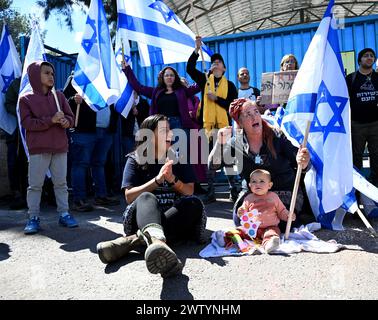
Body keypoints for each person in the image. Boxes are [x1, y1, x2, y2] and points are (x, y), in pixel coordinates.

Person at [96, 114, 207, 278]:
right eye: (164, 131)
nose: (170, 135)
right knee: (147, 197)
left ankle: (139, 242)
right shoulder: (135, 159)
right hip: (142, 218)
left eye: (170, 130)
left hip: (171, 217)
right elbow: (129, 196)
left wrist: (172, 180)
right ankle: (156, 241)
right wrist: (157, 181)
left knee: (194, 203)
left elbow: (189, 191)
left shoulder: (178, 157)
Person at [209, 98, 310, 231]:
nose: (254, 117)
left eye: (256, 112)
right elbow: (213, 166)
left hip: (283, 192)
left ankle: (269, 231)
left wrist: (304, 161)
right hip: (253, 194)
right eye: (248, 114)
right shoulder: (235, 143)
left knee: (280, 219)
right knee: (240, 219)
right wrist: (219, 143)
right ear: (240, 122)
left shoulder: (277, 135)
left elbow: (302, 164)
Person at [19, 61, 78, 234]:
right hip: (39, 149)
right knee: (35, 185)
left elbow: (71, 118)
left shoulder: (59, 96)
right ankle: (33, 217)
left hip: (60, 147)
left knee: (61, 183)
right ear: (36, 75)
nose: (51, 76)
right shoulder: (26, 99)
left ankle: (64, 214)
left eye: (52, 73)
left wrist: (67, 121)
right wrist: (50, 120)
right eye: (46, 73)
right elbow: (27, 123)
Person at [186, 36, 239, 203]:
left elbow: (232, 106)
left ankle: (234, 191)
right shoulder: (204, 81)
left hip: (225, 128)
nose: (215, 64)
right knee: (211, 160)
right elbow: (189, 68)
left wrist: (216, 98)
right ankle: (210, 192)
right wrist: (196, 50)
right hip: (209, 129)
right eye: (213, 62)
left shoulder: (230, 85)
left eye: (219, 62)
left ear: (224, 68)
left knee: (228, 159)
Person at [63, 74, 120, 212]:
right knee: (80, 164)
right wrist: (73, 99)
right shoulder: (77, 75)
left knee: (99, 164)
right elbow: (63, 100)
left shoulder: (109, 74)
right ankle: (79, 199)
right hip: (84, 130)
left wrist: (112, 125)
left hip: (105, 130)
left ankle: (101, 195)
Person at [121, 60, 200, 131]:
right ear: (163, 77)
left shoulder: (182, 91)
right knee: (162, 147)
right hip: (161, 125)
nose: (169, 77)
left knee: (178, 148)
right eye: (166, 75)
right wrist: (127, 70)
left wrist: (210, 74)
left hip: (178, 125)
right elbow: (138, 87)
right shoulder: (156, 92)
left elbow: (199, 85)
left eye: (172, 75)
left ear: (175, 78)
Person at [346, 48, 378, 215]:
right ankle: (358, 202)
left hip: (375, 124)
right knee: (356, 161)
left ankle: (375, 199)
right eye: (366, 55)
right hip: (357, 125)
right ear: (360, 60)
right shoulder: (351, 78)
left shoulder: (377, 78)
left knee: (377, 160)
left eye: (372, 56)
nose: (369, 58)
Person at [236, 169, 295, 253]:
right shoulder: (249, 198)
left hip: (270, 227)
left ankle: (269, 244)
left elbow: (281, 211)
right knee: (240, 231)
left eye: (262, 181)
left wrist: (288, 216)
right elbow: (243, 213)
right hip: (252, 227)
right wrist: (241, 212)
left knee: (271, 234)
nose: (257, 184)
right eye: (254, 182)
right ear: (249, 185)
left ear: (270, 185)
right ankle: (226, 238)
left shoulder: (273, 197)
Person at [4, 77, 28, 210]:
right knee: (14, 162)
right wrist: (22, 113)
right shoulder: (17, 84)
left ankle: (40, 194)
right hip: (16, 131)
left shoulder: (40, 82)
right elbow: (8, 104)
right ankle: (18, 194)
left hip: (36, 132)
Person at [120, 91, 150, 161]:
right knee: (128, 156)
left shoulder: (143, 102)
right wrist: (131, 109)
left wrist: (136, 110)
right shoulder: (125, 103)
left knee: (142, 157)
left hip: (142, 135)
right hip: (128, 135)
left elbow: (147, 118)